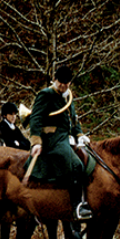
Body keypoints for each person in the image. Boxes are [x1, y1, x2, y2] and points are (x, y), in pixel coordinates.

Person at [28, 64, 93, 221]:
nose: (63, 86)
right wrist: (35, 142)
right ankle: (76, 206)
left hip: (66, 137)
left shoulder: (68, 96)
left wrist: (79, 134)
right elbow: (35, 118)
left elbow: (73, 119)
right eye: (61, 83)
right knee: (76, 165)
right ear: (55, 80)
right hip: (52, 139)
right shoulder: (46, 94)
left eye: (67, 83)